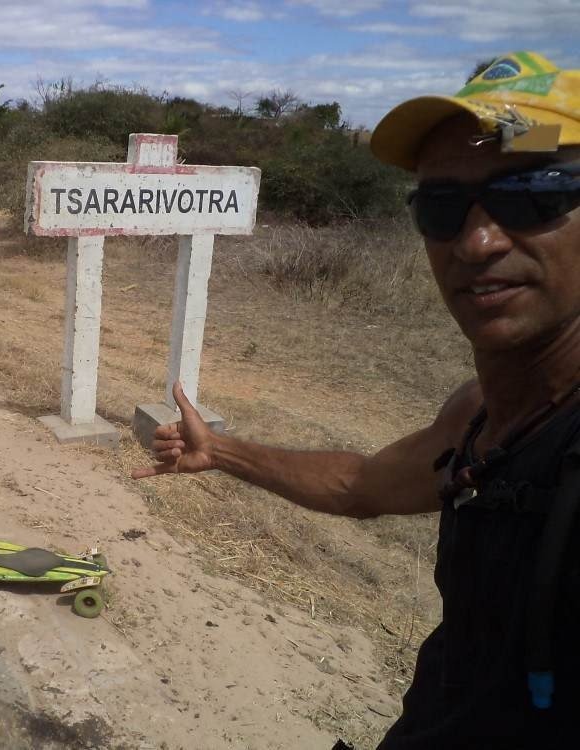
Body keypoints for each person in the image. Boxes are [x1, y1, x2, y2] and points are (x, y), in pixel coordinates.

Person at [133, 51, 580, 748]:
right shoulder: (479, 416)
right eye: (441, 207)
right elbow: (359, 485)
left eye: (535, 192)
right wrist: (217, 449)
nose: (478, 240)